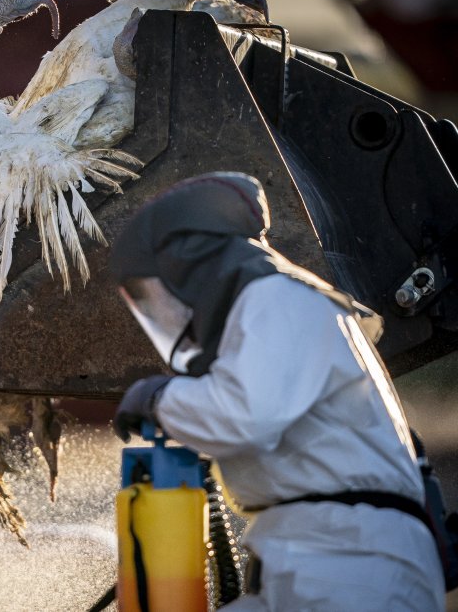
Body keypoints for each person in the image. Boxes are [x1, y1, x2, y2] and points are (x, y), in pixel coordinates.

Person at [108, 172, 445, 610]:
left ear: (193, 268)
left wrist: (160, 400)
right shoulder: (279, 304)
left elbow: (244, 417)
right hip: (333, 559)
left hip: (350, 564)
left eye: (162, 295)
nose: (168, 316)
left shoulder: (275, 298)